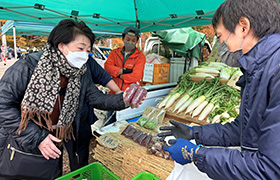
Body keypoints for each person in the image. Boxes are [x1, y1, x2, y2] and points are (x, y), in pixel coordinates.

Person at [0, 19, 143, 180]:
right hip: (22, 144)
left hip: (54, 143)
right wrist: (38, 137)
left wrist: (123, 99)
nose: (84, 55)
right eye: (80, 48)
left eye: (87, 50)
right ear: (61, 45)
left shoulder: (79, 73)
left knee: (53, 174)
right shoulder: (27, 66)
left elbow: (96, 98)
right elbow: (3, 105)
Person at [158, 0, 280, 179]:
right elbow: (243, 130)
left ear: (243, 28)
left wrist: (197, 154)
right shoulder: (258, 70)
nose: (221, 44)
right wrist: (196, 133)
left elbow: (269, 168)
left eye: (220, 36)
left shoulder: (275, 71)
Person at [71, 55, 122, 171]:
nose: (84, 52)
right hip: (57, 122)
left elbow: (102, 76)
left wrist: (119, 93)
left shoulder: (86, 60)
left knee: (82, 147)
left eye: (88, 49)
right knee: (56, 153)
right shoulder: (40, 62)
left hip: (81, 115)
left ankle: (80, 173)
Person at [104, 25, 146, 94]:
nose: (130, 42)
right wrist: (122, 70)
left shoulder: (140, 56)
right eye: (128, 39)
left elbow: (136, 76)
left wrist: (119, 75)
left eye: (133, 40)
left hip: (130, 93)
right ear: (123, 38)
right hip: (114, 91)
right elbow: (107, 67)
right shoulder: (114, 53)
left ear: (136, 41)